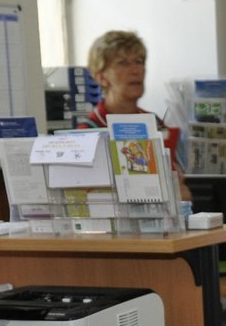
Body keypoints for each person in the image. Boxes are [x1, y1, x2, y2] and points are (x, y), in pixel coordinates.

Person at [79, 29, 189, 199]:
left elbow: (180, 191)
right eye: (123, 63)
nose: (135, 70)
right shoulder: (88, 132)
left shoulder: (155, 124)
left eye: (138, 62)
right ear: (101, 77)